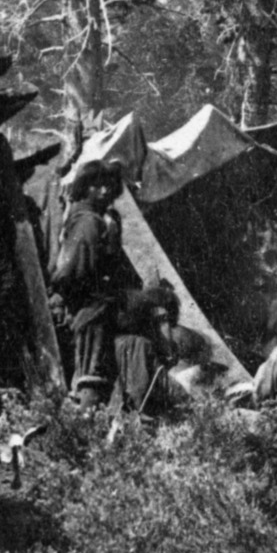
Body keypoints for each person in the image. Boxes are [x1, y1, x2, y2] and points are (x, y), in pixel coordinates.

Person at [50, 162, 131, 408]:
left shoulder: (95, 219)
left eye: (108, 185)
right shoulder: (88, 222)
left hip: (95, 304)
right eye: (97, 185)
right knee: (90, 372)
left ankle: (85, 421)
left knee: (90, 369)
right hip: (90, 304)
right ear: (85, 187)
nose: (104, 191)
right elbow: (71, 269)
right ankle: (85, 426)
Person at [110, 279, 181, 413]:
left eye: (167, 321)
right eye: (159, 321)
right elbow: (139, 397)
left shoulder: (168, 353)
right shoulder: (138, 345)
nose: (166, 329)